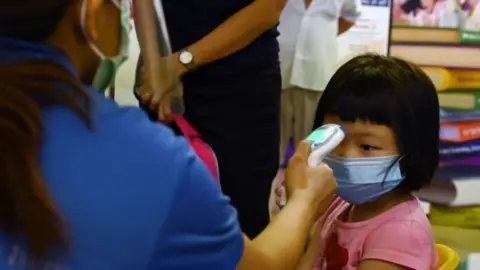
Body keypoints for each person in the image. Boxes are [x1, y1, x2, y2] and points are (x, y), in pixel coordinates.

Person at [0, 0, 338, 269]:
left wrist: (172, 64)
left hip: (233, 91)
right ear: (91, 15)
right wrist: (305, 201)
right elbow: (260, 264)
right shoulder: (149, 160)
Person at [134, 0, 286, 238]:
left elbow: (269, 7)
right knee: (161, 214)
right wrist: (155, 67)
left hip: (239, 86)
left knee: (240, 217)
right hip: (163, 80)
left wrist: (179, 64)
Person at [298, 54, 440, 270]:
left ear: (412, 150)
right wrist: (299, 213)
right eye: (336, 139)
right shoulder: (338, 203)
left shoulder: (401, 234)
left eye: (367, 146)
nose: (345, 156)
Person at [277, 0, 360, 166]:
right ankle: (268, 189)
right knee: (270, 141)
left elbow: (350, 17)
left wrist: (320, 37)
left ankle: (304, 187)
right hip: (278, 69)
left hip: (315, 73)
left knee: (310, 145)